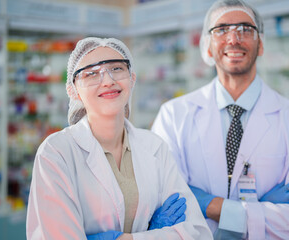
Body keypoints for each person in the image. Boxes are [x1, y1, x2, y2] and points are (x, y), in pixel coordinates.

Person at [151, 0, 289, 239]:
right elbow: (161, 201)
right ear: (207, 46)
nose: (234, 39)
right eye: (221, 30)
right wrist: (258, 210)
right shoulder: (173, 116)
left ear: (261, 44)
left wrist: (208, 205)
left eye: (246, 29)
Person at [26, 37, 213, 240]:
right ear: (74, 90)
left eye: (116, 69)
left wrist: (125, 239)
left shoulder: (154, 146)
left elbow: (198, 232)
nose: (108, 80)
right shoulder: (56, 153)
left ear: (131, 78)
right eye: (91, 73)